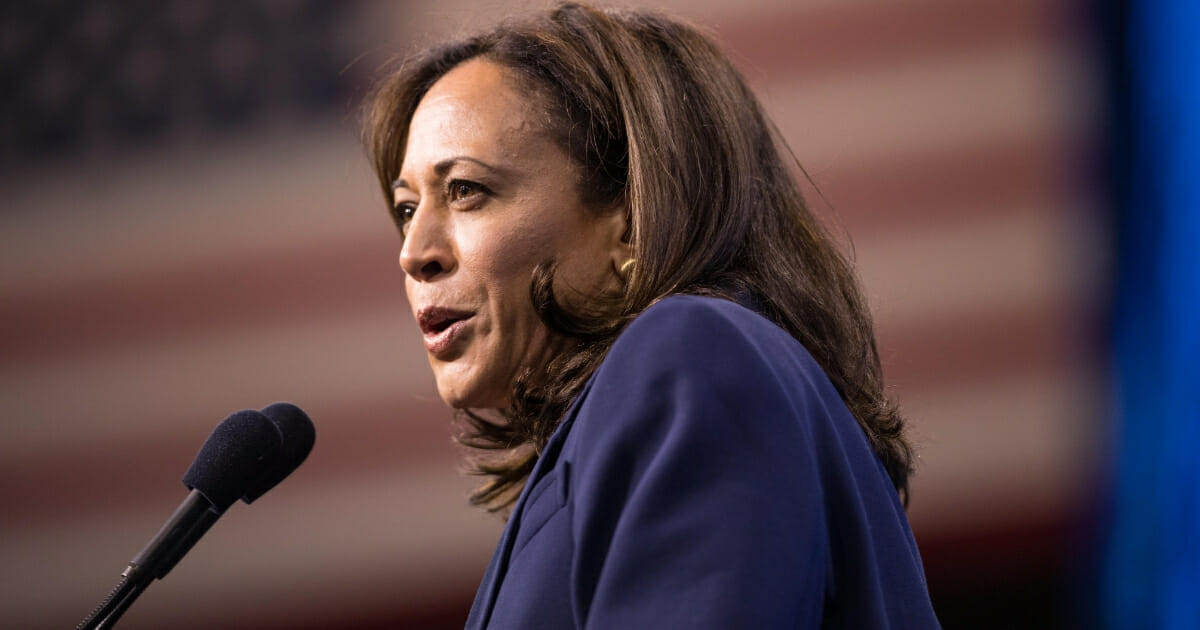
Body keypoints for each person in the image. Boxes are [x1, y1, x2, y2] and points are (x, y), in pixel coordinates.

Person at [363, 2, 941, 627]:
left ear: (632, 218)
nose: (413, 253)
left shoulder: (694, 355)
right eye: (405, 208)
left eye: (466, 191)